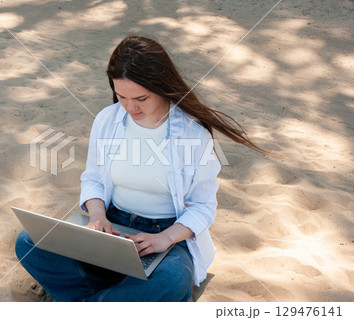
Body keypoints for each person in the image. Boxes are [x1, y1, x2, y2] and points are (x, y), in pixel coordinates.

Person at [15, 35, 270, 302]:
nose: (129, 107)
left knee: (172, 281)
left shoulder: (193, 134)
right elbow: (93, 179)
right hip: (112, 228)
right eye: (121, 96)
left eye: (141, 98)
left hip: (166, 237)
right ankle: (113, 300)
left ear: (161, 86)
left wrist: (165, 238)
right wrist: (97, 216)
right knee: (29, 241)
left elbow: (202, 206)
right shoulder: (107, 120)